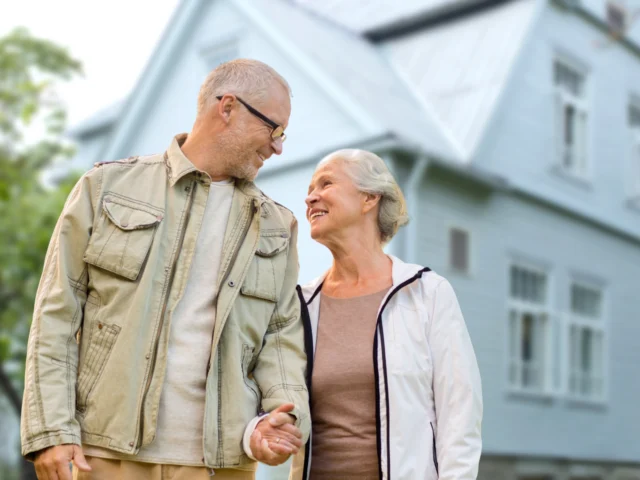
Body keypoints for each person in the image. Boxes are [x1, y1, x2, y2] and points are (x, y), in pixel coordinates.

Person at [20, 59, 310, 480]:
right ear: (227, 107)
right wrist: (50, 430)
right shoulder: (104, 189)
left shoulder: (277, 226)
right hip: (104, 454)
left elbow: (280, 340)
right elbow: (56, 317)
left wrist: (282, 416)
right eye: (274, 129)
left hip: (222, 464)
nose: (278, 147)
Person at [291, 149, 483, 479]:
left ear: (369, 198)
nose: (311, 198)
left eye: (326, 184)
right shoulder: (300, 307)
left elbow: (460, 417)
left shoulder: (426, 292)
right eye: (310, 189)